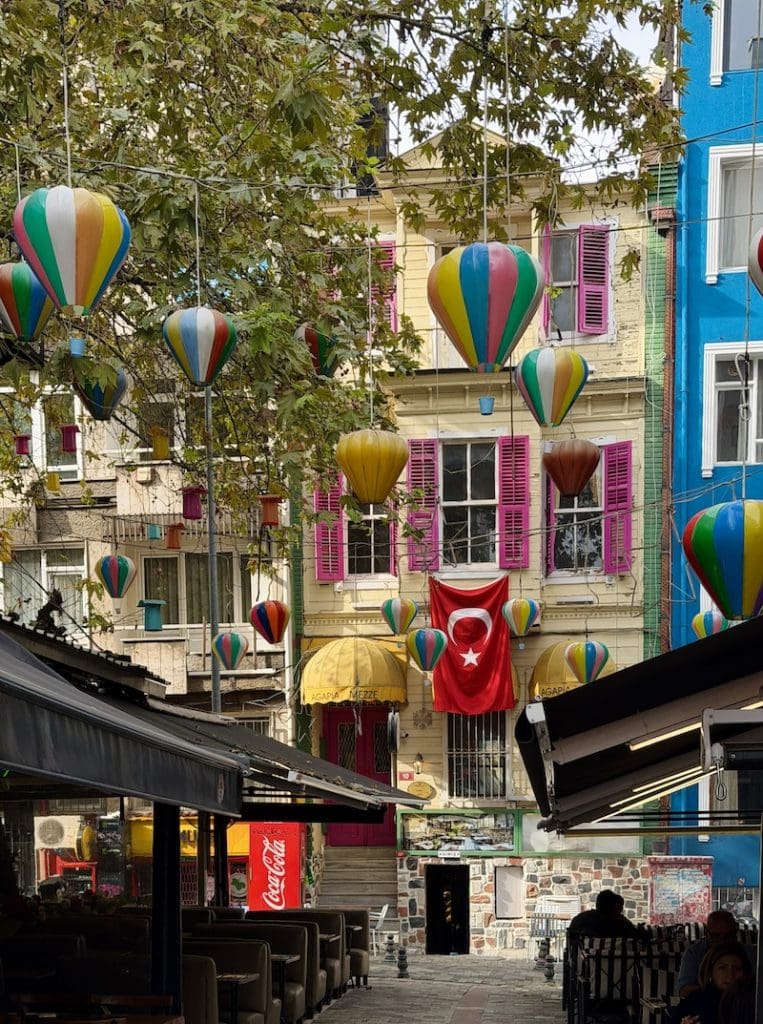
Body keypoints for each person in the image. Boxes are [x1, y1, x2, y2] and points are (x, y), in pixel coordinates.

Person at [669, 941, 751, 1024]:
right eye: (722, 968)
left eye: (737, 968)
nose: (730, 975)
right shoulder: (695, 1001)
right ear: (710, 971)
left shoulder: (752, 1001)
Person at [677, 911, 751, 997]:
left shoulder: (750, 953)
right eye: (716, 936)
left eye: (728, 936)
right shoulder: (694, 953)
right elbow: (684, 989)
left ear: (735, 933)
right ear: (707, 933)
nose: (722, 941)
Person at [568, 889, 639, 939]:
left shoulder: (580, 920)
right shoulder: (620, 924)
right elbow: (635, 934)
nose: (621, 911)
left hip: (582, 959)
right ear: (613, 908)